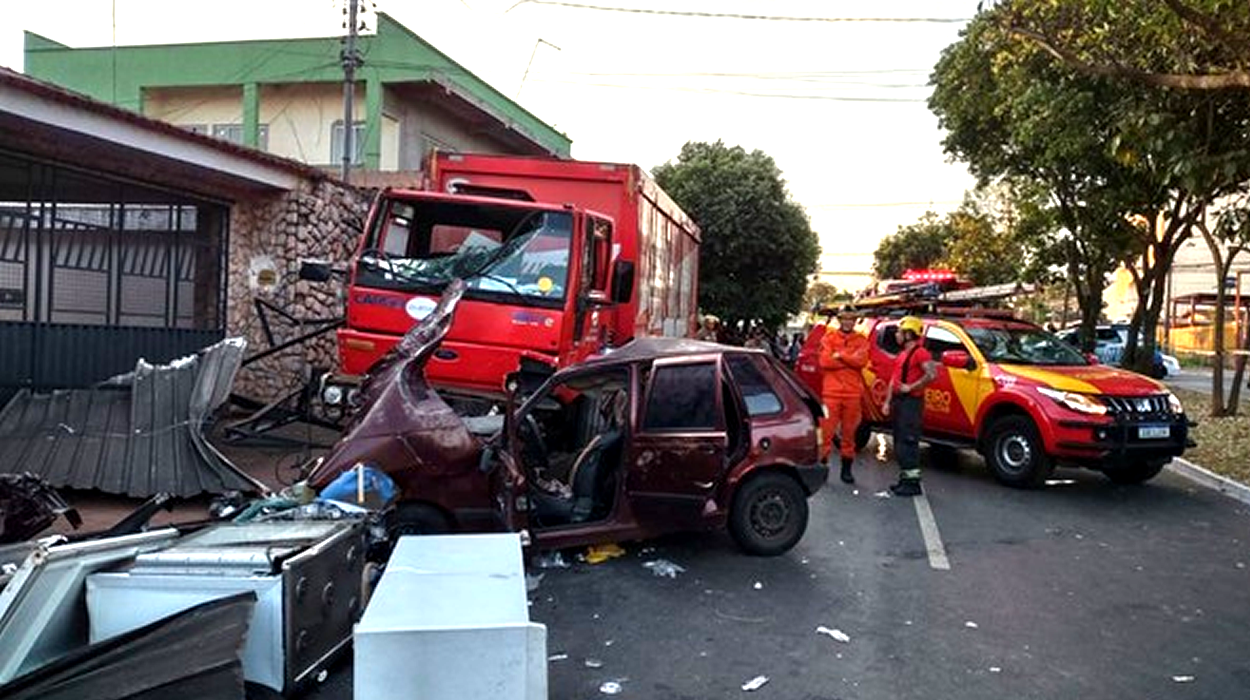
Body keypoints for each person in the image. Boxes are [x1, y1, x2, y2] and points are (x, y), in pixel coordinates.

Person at [881, 315, 938, 497]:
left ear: (908, 334)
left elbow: (932, 374)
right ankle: (905, 480)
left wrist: (911, 387)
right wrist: (887, 401)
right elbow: (893, 380)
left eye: (899, 331)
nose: (897, 335)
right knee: (899, 442)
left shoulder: (920, 353)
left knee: (908, 442)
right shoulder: (903, 354)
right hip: (900, 402)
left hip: (911, 403)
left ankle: (912, 484)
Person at [818, 306, 869, 484]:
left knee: (849, 435)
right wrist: (849, 359)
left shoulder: (862, 340)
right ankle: (821, 469)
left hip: (852, 394)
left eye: (851, 319)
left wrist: (840, 356)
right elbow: (825, 361)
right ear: (840, 320)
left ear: (855, 321)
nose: (848, 321)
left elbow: (861, 361)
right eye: (845, 318)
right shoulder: (829, 338)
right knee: (826, 433)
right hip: (831, 393)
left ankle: (846, 471)